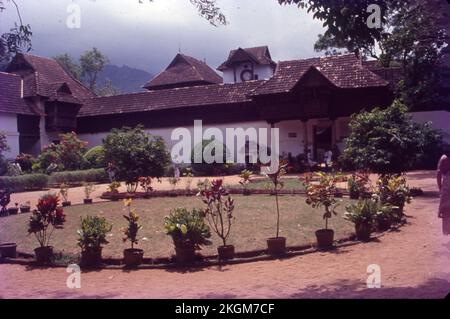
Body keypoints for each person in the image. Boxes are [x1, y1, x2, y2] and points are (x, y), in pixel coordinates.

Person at [437, 149, 450, 235]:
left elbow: (438, 174)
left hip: (446, 187)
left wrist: (440, 188)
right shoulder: (444, 158)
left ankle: (447, 230)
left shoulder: (443, 158)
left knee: (446, 209)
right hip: (447, 187)